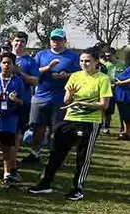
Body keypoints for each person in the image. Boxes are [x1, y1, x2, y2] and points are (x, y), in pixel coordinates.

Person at [29, 47, 112, 201]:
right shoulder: (74, 76)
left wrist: (82, 103)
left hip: (89, 122)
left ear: (96, 62)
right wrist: (71, 96)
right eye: (81, 61)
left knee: (83, 156)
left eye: (87, 61)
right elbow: (67, 100)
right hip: (70, 118)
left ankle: (77, 188)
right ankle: (45, 183)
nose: (84, 64)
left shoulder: (103, 79)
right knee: (56, 151)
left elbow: (104, 105)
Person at [24, 28, 80, 164]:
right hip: (41, 96)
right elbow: (34, 72)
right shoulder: (41, 55)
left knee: (57, 130)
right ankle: (35, 153)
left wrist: (67, 75)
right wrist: (48, 68)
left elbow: (79, 74)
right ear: (50, 41)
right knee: (38, 127)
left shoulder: (72, 56)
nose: (56, 42)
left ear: (65, 41)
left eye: (59, 39)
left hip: (61, 97)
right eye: (54, 39)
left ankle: (54, 156)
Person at [0, 52, 26, 188]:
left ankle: (7, 174)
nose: (6, 65)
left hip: (9, 118)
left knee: (7, 147)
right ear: (0, 64)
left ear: (14, 65)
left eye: (9, 63)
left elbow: (22, 102)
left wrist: (15, 100)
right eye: (4, 62)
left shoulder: (18, 81)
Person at [11, 31, 39, 170]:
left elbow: (35, 81)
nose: (19, 43)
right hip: (2, 101)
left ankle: (13, 160)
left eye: (22, 41)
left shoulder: (30, 61)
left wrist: (19, 72)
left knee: (17, 132)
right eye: (17, 40)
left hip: (22, 102)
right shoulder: (4, 58)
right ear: (11, 41)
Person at [99, 46, 118, 134]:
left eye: (109, 55)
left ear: (114, 54)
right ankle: (105, 127)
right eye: (106, 56)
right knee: (106, 110)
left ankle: (124, 129)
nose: (107, 57)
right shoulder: (104, 66)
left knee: (121, 111)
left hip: (120, 89)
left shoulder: (122, 64)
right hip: (107, 89)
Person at [113, 54, 130, 140]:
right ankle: (125, 132)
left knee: (127, 115)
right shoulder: (128, 67)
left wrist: (121, 83)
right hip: (121, 95)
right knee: (123, 115)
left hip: (127, 95)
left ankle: (127, 133)